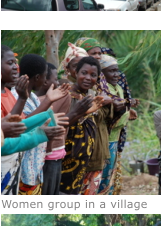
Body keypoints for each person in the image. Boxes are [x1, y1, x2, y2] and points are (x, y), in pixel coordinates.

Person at [11, 53, 70, 195]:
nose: (45, 80)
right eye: (44, 76)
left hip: (34, 168)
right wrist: (48, 101)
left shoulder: (33, 97)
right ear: (38, 77)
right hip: (23, 169)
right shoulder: (16, 96)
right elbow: (23, 125)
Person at [60, 56, 103, 195]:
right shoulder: (67, 96)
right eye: (84, 73)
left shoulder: (88, 98)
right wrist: (80, 113)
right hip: (66, 161)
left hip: (82, 162)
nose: (88, 78)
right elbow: (61, 125)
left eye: (93, 75)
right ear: (76, 73)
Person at [98, 55, 138, 195]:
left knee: (111, 175)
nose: (116, 74)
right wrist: (124, 107)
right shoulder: (102, 90)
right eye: (111, 71)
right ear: (102, 73)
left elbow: (120, 107)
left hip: (115, 139)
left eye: (117, 70)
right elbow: (106, 113)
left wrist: (128, 110)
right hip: (105, 140)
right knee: (104, 176)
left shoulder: (118, 88)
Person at [35, 63, 71, 195]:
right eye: (55, 79)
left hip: (55, 155)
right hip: (46, 157)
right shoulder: (37, 102)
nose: (58, 83)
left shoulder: (58, 98)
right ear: (45, 81)